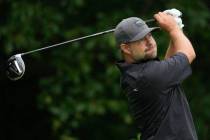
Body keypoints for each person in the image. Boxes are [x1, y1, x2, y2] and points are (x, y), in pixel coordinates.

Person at [114, 12, 198, 140]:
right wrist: (174, 29)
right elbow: (189, 53)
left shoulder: (135, 73)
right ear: (126, 48)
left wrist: (176, 31)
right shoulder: (147, 75)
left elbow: (169, 66)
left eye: (149, 35)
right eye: (141, 39)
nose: (150, 42)